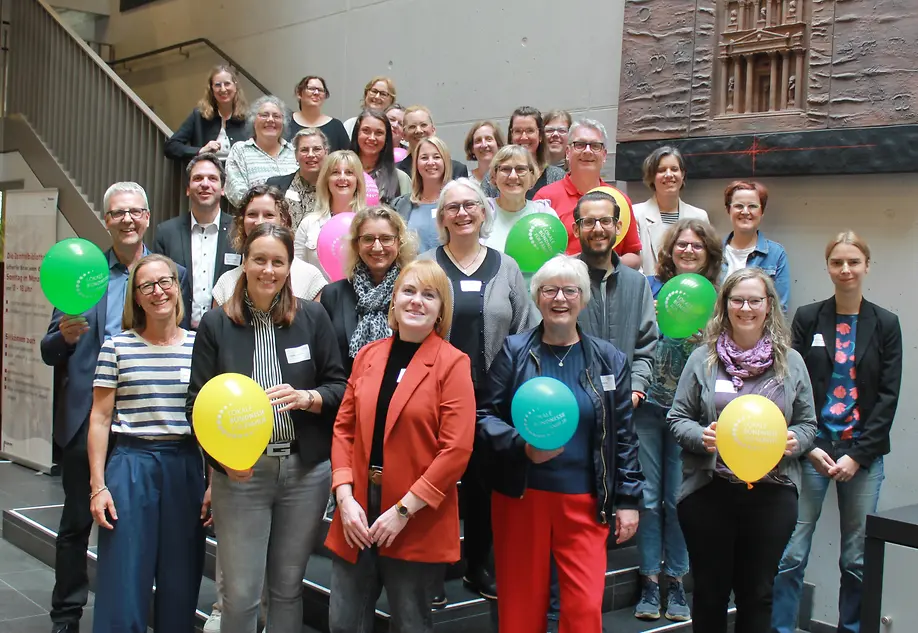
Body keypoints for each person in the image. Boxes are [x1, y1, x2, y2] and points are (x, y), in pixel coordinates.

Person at [41, 182, 190, 633]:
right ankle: (67, 615)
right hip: (90, 417)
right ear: (106, 220)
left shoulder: (169, 274)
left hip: (150, 417)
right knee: (75, 524)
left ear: (147, 218)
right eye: (117, 213)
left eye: (135, 212)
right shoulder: (84, 274)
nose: (127, 219)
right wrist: (63, 337)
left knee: (140, 537)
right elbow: (49, 350)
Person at [188, 223, 348, 633]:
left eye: (278, 261)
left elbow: (338, 386)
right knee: (241, 594)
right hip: (241, 475)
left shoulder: (313, 317)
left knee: (287, 589)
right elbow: (196, 405)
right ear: (244, 263)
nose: (268, 270)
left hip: (305, 473)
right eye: (259, 259)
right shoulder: (216, 324)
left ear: (290, 266)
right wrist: (222, 463)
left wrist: (308, 397)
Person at [477, 254, 644, 633]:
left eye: (570, 291)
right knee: (521, 608)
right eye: (549, 290)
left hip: (585, 501)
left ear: (583, 299)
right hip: (522, 498)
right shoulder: (514, 351)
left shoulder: (609, 360)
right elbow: (483, 416)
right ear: (537, 298)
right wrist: (521, 445)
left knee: (583, 609)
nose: (560, 299)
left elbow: (623, 435)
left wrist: (628, 501)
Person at [325, 259, 475, 633]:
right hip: (357, 507)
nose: (416, 301)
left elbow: (456, 450)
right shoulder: (368, 355)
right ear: (394, 300)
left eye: (429, 295)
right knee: (344, 622)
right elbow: (344, 429)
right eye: (408, 291)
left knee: (410, 623)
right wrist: (344, 497)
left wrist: (403, 511)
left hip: (415, 514)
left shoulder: (453, 364)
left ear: (441, 310)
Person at [667, 267, 817, 633]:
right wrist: (700, 435)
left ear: (769, 306)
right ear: (725, 305)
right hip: (709, 492)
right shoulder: (703, 359)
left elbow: (808, 424)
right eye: (737, 300)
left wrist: (796, 440)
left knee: (758, 594)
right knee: (709, 593)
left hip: (772, 493)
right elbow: (677, 418)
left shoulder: (791, 362)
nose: (745, 308)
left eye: (754, 300)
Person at [772, 232, 902, 633]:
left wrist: (858, 456)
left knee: (857, 559)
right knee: (791, 553)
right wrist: (809, 446)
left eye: (853, 262)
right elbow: (789, 385)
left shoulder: (886, 323)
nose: (845, 269)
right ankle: (781, 628)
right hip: (811, 449)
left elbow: (888, 397)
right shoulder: (809, 317)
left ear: (867, 266)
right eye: (837, 262)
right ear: (828, 267)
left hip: (862, 455)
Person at [419, 178, 537, 600]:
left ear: (484, 213)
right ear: (441, 217)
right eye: (452, 207)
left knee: (483, 485)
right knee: (435, 482)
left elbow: (525, 328)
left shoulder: (506, 267)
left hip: (492, 398)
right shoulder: (426, 265)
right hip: (437, 395)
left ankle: (477, 566)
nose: (462, 213)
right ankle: (432, 570)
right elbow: (412, 323)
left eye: (470, 205)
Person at [88, 254, 204, 632]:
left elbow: (211, 419)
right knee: (124, 576)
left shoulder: (200, 347)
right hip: (131, 464)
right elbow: (99, 419)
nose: (158, 292)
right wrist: (98, 486)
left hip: (184, 465)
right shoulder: (117, 347)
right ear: (136, 297)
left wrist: (214, 482)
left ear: (177, 287)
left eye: (165, 282)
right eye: (147, 286)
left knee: (181, 577)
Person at [633, 219, 723, 622]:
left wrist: (709, 335)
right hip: (649, 407)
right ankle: (649, 582)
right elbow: (636, 341)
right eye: (681, 245)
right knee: (650, 498)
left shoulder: (719, 297)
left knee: (679, 499)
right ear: (670, 251)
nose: (688, 250)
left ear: (709, 254)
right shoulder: (649, 289)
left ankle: (676, 581)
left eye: (696, 246)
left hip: (692, 415)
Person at [574, 190, 657, 411]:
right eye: (588, 222)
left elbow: (646, 347)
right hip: (572, 404)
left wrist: (636, 390)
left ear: (618, 227)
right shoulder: (563, 278)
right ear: (576, 229)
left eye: (605, 221)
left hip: (623, 405)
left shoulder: (637, 284)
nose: (598, 229)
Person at [320, 205, 417, 376]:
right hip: (347, 389)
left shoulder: (413, 293)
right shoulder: (333, 294)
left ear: (399, 242)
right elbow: (326, 359)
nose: (377, 247)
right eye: (368, 239)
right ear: (356, 244)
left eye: (386, 238)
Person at [533, 119, 642, 268]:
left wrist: (603, 265)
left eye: (595, 146)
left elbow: (634, 257)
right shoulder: (545, 199)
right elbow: (535, 256)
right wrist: (580, 265)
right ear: (568, 152)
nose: (587, 151)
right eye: (580, 145)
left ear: (604, 155)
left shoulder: (620, 200)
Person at [152, 154, 238, 328]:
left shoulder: (239, 231)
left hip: (227, 331)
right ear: (188, 189)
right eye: (198, 178)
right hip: (177, 331)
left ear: (223, 189)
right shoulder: (166, 233)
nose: (205, 184)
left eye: (212, 178)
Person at [212, 185, 326, 305]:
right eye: (252, 214)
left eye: (269, 215)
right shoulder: (226, 284)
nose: (259, 222)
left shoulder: (310, 279)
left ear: (283, 220)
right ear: (242, 220)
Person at [633, 146, 709, 275]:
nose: (669, 175)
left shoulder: (700, 216)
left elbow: (706, 264)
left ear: (682, 174)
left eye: (674, 169)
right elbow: (635, 268)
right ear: (652, 176)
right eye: (661, 170)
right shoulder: (635, 214)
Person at [294, 149, 368, 277]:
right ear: (326, 180)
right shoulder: (309, 223)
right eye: (335, 172)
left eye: (349, 172)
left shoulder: (369, 223)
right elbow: (297, 271)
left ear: (358, 181)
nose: (342, 178)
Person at [721, 180, 790, 311]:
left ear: (761, 212)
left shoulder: (776, 254)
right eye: (738, 206)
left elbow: (780, 309)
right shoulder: (713, 251)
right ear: (728, 210)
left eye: (752, 206)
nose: (745, 211)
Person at [165, 65, 248, 162]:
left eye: (227, 84)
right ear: (211, 89)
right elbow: (171, 146)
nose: (223, 89)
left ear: (235, 86)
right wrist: (200, 151)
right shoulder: (198, 116)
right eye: (217, 85)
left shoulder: (248, 118)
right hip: (207, 171)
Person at [225, 95, 297, 208]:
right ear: (253, 121)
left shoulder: (295, 152)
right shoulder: (240, 151)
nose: (270, 120)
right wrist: (269, 211)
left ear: (283, 123)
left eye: (276, 116)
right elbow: (237, 193)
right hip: (257, 216)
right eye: (264, 115)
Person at [483, 144, 557, 253]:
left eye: (520, 169)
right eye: (505, 169)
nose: (513, 176)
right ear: (494, 176)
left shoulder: (545, 214)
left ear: (532, 176)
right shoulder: (482, 212)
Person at [479, 106, 565, 198]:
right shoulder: (492, 177)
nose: (524, 137)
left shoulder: (557, 177)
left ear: (540, 135)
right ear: (511, 135)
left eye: (530, 131)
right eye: (518, 131)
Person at [392, 136, 452, 253]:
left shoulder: (458, 203)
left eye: (436, 157)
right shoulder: (399, 205)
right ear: (416, 164)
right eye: (424, 158)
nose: (430, 162)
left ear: (445, 162)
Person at [266, 128, 329, 230]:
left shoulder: (335, 188)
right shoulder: (274, 186)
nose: (311, 154)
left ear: (326, 152)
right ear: (296, 155)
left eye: (317, 149)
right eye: (304, 150)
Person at [350, 109, 411, 205]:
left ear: (386, 138)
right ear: (356, 133)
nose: (372, 138)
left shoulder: (401, 179)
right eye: (366, 131)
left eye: (379, 133)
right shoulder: (340, 173)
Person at [396, 105, 469, 178]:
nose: (418, 130)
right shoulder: (395, 172)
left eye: (423, 125)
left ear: (433, 130)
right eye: (412, 127)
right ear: (404, 135)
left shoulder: (457, 170)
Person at [286, 75, 350, 151]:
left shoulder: (336, 126)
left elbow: (347, 155)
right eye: (311, 89)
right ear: (299, 93)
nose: (316, 93)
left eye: (320, 90)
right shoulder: (286, 122)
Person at [465, 120, 505, 186]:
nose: (484, 145)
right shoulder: (465, 181)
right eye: (478, 141)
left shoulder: (508, 178)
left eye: (489, 139)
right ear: (472, 149)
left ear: (498, 144)